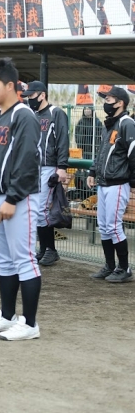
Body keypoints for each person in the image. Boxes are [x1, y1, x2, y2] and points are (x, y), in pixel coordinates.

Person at [0, 57, 42, 341]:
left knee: (24, 259)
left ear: (11, 85)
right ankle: (6, 315)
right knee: (3, 261)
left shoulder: (23, 116)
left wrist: (12, 198)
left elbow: (28, 160)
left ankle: (30, 324)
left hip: (19, 197)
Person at [87, 87, 135, 283]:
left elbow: (133, 153)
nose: (105, 102)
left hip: (118, 182)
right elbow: (101, 152)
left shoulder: (127, 123)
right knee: (105, 227)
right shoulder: (109, 124)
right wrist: (92, 171)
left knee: (114, 227)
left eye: (109, 99)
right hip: (104, 183)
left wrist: (133, 181)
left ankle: (124, 268)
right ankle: (109, 265)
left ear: (120, 102)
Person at [21, 81, 69, 267]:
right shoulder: (32, 114)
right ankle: (43, 249)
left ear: (42, 95)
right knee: (34, 209)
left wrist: (61, 167)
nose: (29, 100)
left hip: (49, 166)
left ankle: (50, 249)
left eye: (32, 96)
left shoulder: (56, 113)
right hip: (33, 166)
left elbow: (63, 140)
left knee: (41, 208)